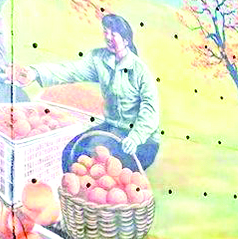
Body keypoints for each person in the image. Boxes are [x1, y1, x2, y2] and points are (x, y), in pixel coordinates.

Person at [15, 14, 160, 171]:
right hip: (112, 129)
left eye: (113, 34)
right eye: (106, 32)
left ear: (126, 40)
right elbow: (72, 71)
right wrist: (35, 73)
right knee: (72, 152)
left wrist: (135, 137)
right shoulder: (99, 59)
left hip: (143, 139)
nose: (108, 37)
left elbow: (150, 110)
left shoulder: (139, 70)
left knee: (106, 167)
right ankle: (72, 186)